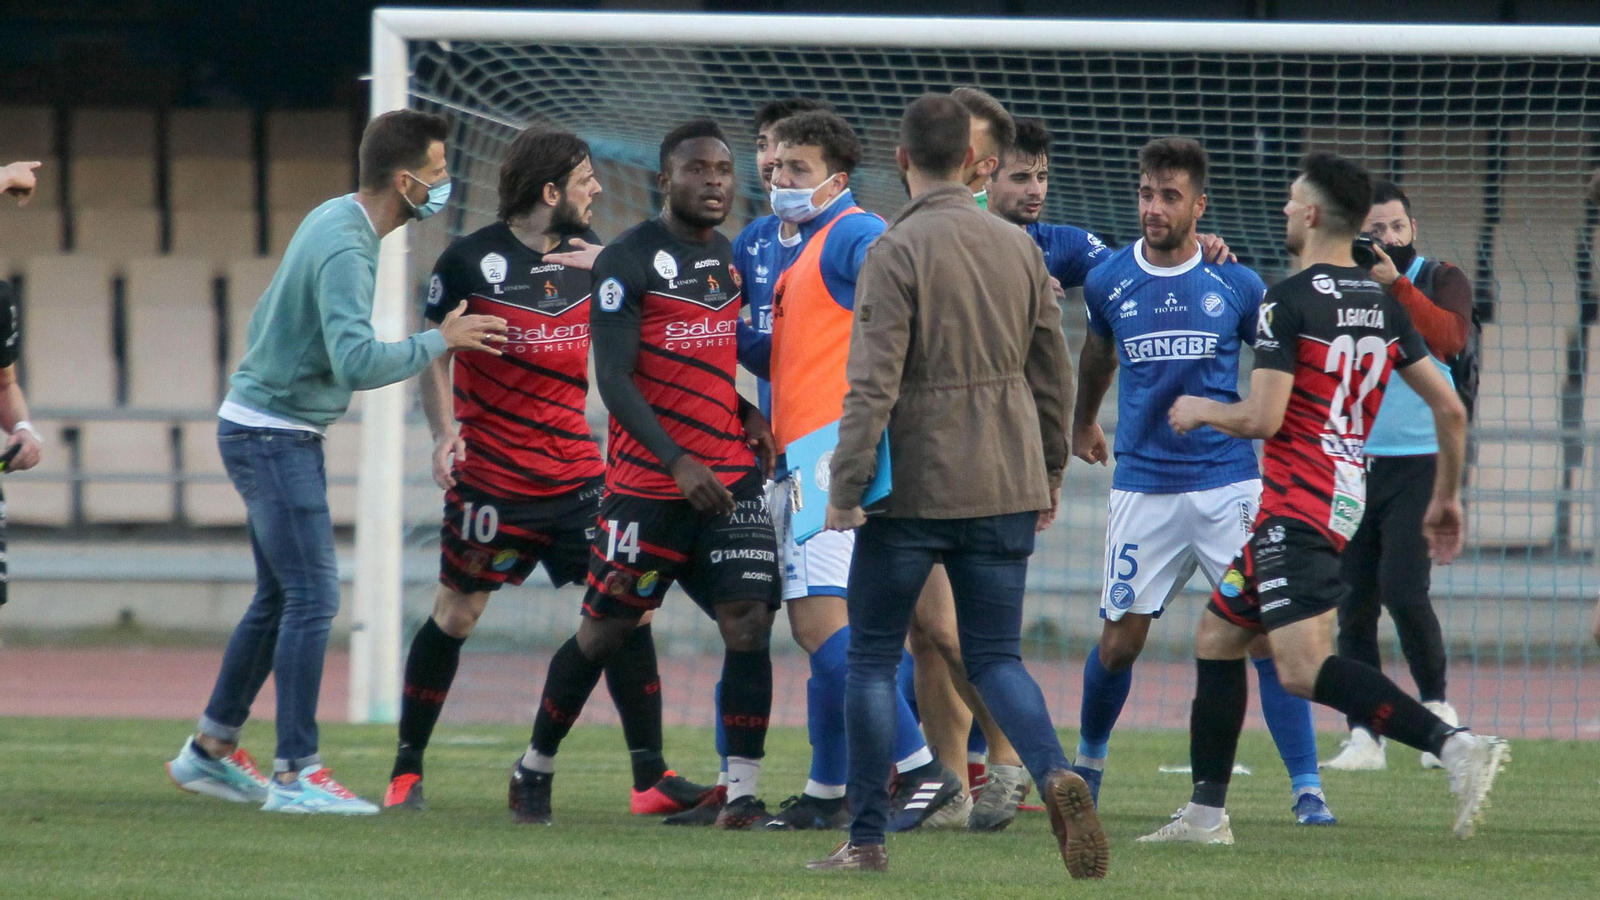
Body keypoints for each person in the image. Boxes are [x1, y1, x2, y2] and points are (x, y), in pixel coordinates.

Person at [1143, 152, 1507, 845]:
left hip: (1296, 502)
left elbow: (1265, 418)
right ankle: (1203, 816)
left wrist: (1201, 409)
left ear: (1311, 214)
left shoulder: (1289, 299)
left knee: (1304, 669)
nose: (1283, 212)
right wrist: (1447, 498)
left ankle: (1453, 743)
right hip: (1341, 492)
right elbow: (1452, 411)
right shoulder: (1384, 302)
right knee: (1218, 637)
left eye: (1288, 203)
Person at [165, 110, 509, 814]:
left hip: (267, 424)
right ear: (406, 180)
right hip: (273, 435)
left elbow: (279, 322)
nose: (444, 185)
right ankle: (296, 774)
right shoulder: (349, 247)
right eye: (438, 174)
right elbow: (354, 361)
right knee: (314, 596)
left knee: (278, 599)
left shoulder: (335, 217)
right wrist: (440, 340)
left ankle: (208, 752)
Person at [807, 93, 1107, 879]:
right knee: (997, 657)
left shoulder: (895, 250)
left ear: (900, 160)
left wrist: (845, 486)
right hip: (1005, 480)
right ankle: (1052, 772)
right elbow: (1054, 375)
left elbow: (870, 382)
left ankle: (866, 839)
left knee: (871, 659)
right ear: (976, 163)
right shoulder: (1019, 249)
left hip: (915, 490)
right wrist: (1047, 474)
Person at [382, 126, 708, 817]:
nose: (597, 189)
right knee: (458, 613)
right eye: (586, 179)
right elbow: (433, 349)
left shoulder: (599, 262)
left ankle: (649, 777)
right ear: (550, 189)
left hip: (580, 479)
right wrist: (445, 434)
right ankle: (406, 771)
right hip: (492, 481)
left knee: (624, 610)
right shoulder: (469, 262)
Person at [509, 119, 782, 831]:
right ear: (666, 179)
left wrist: (745, 410)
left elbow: (706, 362)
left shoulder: (727, 259)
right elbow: (617, 380)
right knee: (606, 633)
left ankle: (742, 791)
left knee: (749, 623)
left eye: (724, 168)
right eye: (698, 169)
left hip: (728, 478)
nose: (715, 180)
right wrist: (676, 460)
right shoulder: (627, 261)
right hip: (647, 489)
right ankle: (535, 762)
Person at [1069, 138, 1335, 826]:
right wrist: (1081, 424)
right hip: (1143, 485)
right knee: (1120, 642)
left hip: (1229, 488)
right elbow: (1097, 357)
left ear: (1199, 205)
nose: (1153, 208)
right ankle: (1088, 766)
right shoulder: (1109, 281)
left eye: (1170, 196)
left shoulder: (1237, 285)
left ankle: (1309, 790)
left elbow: (1282, 370)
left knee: (1270, 636)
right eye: (1146, 193)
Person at [740, 109, 957, 831]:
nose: (780, 179)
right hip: (814, 451)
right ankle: (829, 792)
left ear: (837, 178)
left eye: (797, 170)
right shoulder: (807, 246)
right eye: (776, 169)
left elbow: (909, 300)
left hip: (830, 455)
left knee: (821, 626)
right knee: (842, 636)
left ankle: (924, 769)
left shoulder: (856, 233)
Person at [1323, 179, 1473, 772]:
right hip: (1354, 461)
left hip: (1418, 462)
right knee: (1353, 601)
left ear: (1411, 229)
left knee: (1405, 591)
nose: (1385, 237)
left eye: (1395, 226)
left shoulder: (1440, 277)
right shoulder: (1345, 285)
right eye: (1374, 228)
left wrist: (1396, 284)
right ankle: (1365, 733)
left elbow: (1449, 339)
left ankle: (1438, 710)